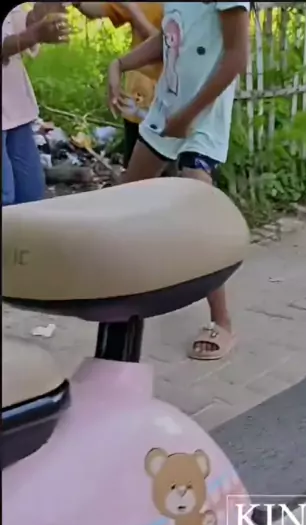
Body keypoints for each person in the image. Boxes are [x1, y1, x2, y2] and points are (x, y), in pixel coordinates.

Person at [107, 2, 250, 361]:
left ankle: (222, 322)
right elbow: (170, 37)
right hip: (165, 113)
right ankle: (122, 292)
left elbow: (237, 57)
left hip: (202, 122)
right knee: (125, 200)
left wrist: (188, 116)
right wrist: (120, 63)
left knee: (199, 219)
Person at [73, 2, 163, 167]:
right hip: (136, 99)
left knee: (166, 168)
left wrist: (132, 10)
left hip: (168, 100)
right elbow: (98, 10)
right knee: (134, 164)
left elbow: (165, 46)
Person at [2, 3, 70, 206]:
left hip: (15, 106)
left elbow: (14, 25)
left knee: (30, 193)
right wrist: (34, 34)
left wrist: (38, 16)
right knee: (5, 195)